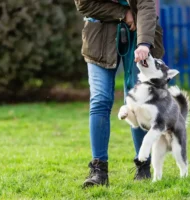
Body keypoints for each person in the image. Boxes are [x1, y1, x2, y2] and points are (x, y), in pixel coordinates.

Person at [74, 0, 165, 187]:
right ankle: (99, 171)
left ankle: (143, 165)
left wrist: (145, 43)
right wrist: (123, 13)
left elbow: (146, 6)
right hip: (98, 36)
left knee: (137, 102)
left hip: (139, 36)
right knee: (100, 100)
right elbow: (84, 4)